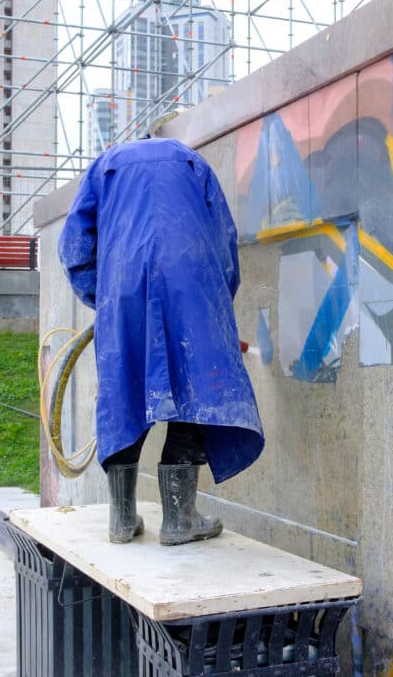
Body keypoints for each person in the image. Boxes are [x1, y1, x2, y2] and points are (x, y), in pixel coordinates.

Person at [58, 137, 264, 546]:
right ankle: (179, 519)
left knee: (123, 393)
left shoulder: (106, 165)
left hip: (125, 285)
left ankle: (120, 520)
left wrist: (104, 298)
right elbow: (224, 240)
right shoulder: (191, 161)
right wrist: (216, 304)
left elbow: (75, 246)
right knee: (196, 390)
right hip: (191, 279)